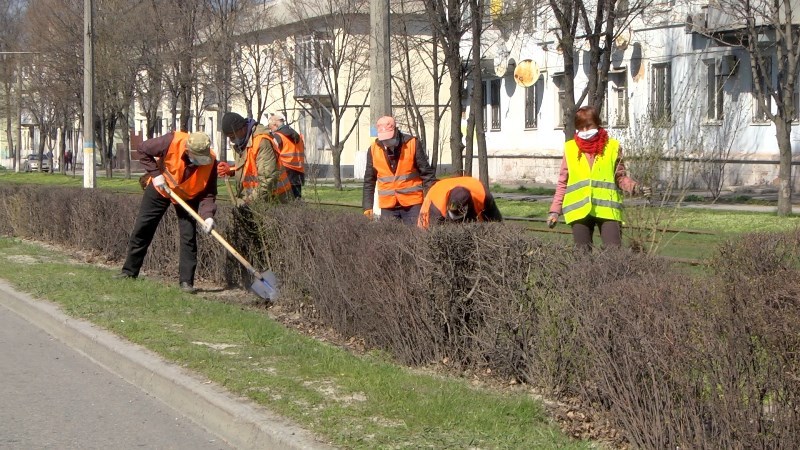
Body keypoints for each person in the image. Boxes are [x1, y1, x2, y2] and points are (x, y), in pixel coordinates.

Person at [114, 131, 218, 294]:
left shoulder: (210, 161)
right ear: (187, 149)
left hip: (188, 196)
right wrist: (155, 175)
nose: (199, 161)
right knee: (143, 227)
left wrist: (208, 216)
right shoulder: (171, 141)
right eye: (196, 156)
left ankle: (186, 282)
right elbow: (142, 149)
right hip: (161, 188)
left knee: (188, 236)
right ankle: (129, 272)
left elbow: (209, 193)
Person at [547, 106, 650, 250]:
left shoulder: (612, 147)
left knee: (614, 255)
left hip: (608, 210)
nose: (584, 132)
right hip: (578, 210)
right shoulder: (570, 148)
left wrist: (635, 187)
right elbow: (563, 182)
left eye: (588, 126)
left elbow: (620, 177)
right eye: (580, 128)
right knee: (583, 257)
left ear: (597, 123)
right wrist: (555, 211)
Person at [362, 115, 437, 226]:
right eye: (384, 139)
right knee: (390, 240)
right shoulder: (373, 149)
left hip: (413, 204)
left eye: (389, 137)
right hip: (388, 206)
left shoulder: (412, 144)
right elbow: (369, 180)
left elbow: (427, 175)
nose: (386, 141)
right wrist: (367, 206)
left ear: (396, 130)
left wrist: (429, 202)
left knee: (415, 237)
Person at [217, 112, 291, 204]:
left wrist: (247, 203)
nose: (231, 140)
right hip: (256, 200)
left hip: (274, 200)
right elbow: (249, 166)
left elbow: (267, 179)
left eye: (232, 136)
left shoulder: (262, 141)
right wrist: (231, 169)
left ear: (242, 129)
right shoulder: (242, 143)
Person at [417, 176, 503, 229]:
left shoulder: (483, 194)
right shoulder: (436, 205)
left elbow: (496, 222)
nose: (459, 222)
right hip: (436, 202)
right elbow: (431, 233)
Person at [267, 113, 305, 199]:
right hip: (299, 172)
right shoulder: (297, 135)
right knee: (297, 200)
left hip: (285, 171)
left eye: (270, 126)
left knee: (285, 202)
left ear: (275, 124)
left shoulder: (277, 136)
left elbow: (272, 155)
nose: (270, 129)